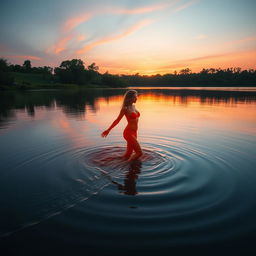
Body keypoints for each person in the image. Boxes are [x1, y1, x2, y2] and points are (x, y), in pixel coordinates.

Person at [101, 90, 143, 161]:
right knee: (139, 153)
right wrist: (108, 130)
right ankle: (125, 166)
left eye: (136, 97)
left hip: (134, 132)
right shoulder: (125, 109)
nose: (136, 98)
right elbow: (117, 120)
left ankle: (114, 161)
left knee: (128, 154)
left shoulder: (134, 106)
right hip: (128, 133)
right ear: (130, 98)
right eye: (135, 97)